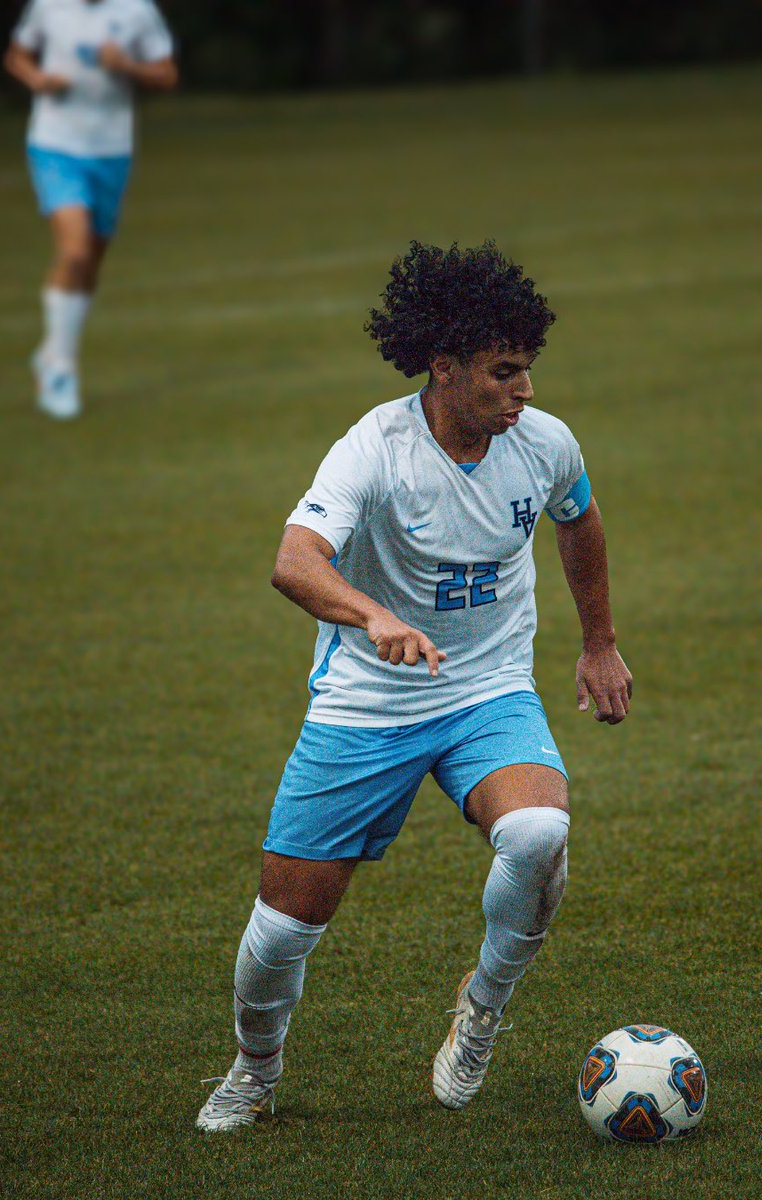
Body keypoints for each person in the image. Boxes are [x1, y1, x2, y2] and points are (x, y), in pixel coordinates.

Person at [196, 241, 633, 1132]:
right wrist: (373, 617)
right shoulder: (376, 449)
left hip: (487, 689)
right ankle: (255, 1069)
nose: (525, 392)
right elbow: (293, 561)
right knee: (282, 931)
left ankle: (480, 1013)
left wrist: (599, 643)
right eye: (504, 373)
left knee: (539, 830)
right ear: (445, 368)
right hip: (369, 702)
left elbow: (578, 520)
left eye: (528, 371)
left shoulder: (544, 445)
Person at [3, 0, 178, 420]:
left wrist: (127, 67)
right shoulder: (47, 6)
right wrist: (37, 79)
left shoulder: (137, 11)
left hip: (112, 149)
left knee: (90, 263)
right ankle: (60, 369)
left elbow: (167, 74)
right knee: (75, 252)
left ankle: (53, 351)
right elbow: (16, 56)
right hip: (54, 144)